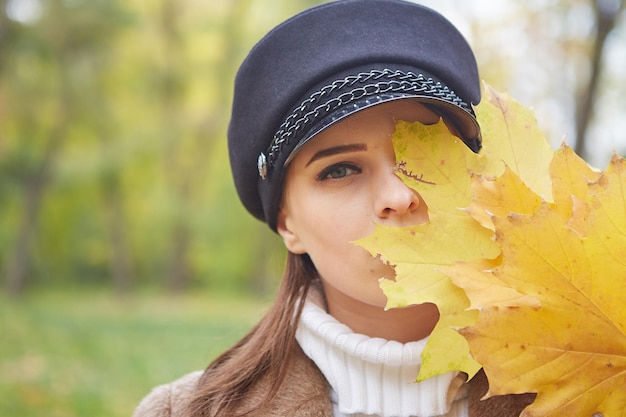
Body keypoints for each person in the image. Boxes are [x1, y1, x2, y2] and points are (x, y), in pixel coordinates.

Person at [133, 1, 535, 416]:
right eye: (340, 169)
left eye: (430, 153)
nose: (397, 197)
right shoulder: (185, 411)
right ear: (287, 223)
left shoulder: (593, 388)